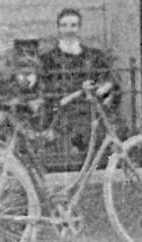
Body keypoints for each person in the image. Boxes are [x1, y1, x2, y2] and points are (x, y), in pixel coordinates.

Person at [40, 9, 116, 156]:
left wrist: (102, 88)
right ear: (58, 28)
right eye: (64, 25)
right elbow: (48, 90)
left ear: (80, 28)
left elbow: (108, 80)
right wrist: (79, 90)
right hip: (63, 112)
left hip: (91, 110)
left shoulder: (93, 55)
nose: (69, 30)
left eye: (73, 25)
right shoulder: (48, 59)